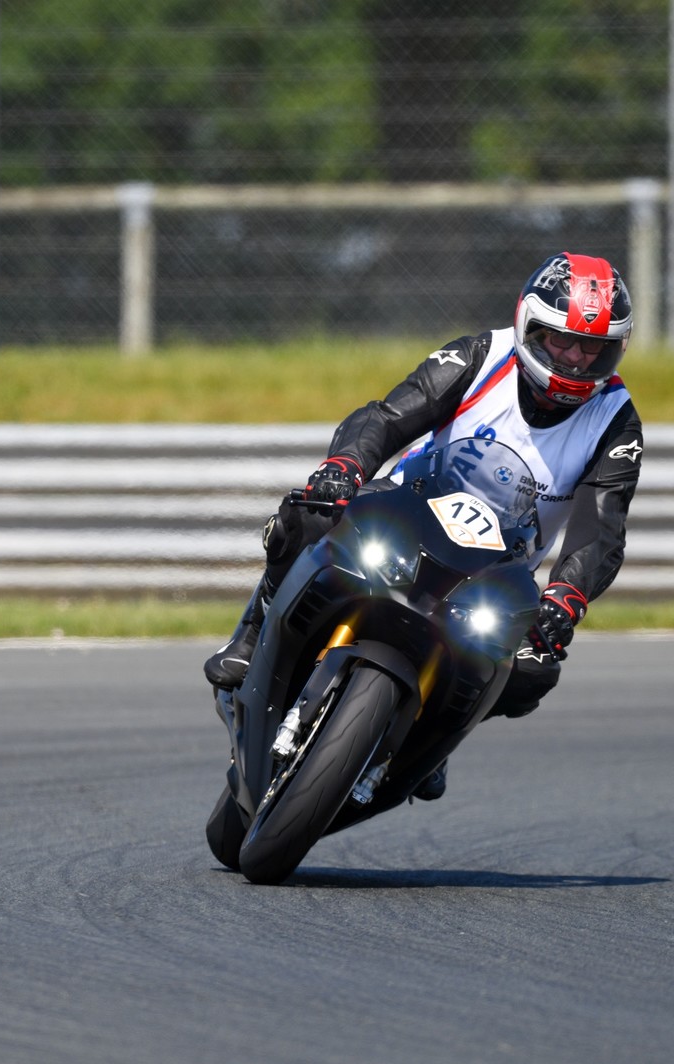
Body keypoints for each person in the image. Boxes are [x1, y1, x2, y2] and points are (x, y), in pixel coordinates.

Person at [203, 252, 645, 799]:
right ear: (529, 326)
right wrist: (344, 468)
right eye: (563, 340)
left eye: (594, 347)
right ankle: (252, 634)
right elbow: (388, 417)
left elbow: (601, 529)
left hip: (496, 564)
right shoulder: (480, 355)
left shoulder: (615, 419)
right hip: (405, 508)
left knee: (534, 669)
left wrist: (564, 599)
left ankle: (432, 742)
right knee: (307, 515)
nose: (577, 358)